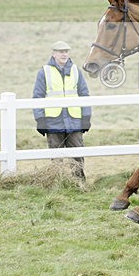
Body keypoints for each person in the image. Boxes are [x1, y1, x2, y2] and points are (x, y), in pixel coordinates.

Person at [32, 41, 91, 179]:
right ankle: (56, 184)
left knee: (77, 156)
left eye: (66, 51)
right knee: (56, 158)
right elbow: (37, 97)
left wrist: (86, 117)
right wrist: (40, 120)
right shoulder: (44, 72)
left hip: (74, 121)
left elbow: (84, 95)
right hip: (53, 121)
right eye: (60, 51)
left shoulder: (76, 71)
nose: (64, 54)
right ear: (54, 54)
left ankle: (79, 184)